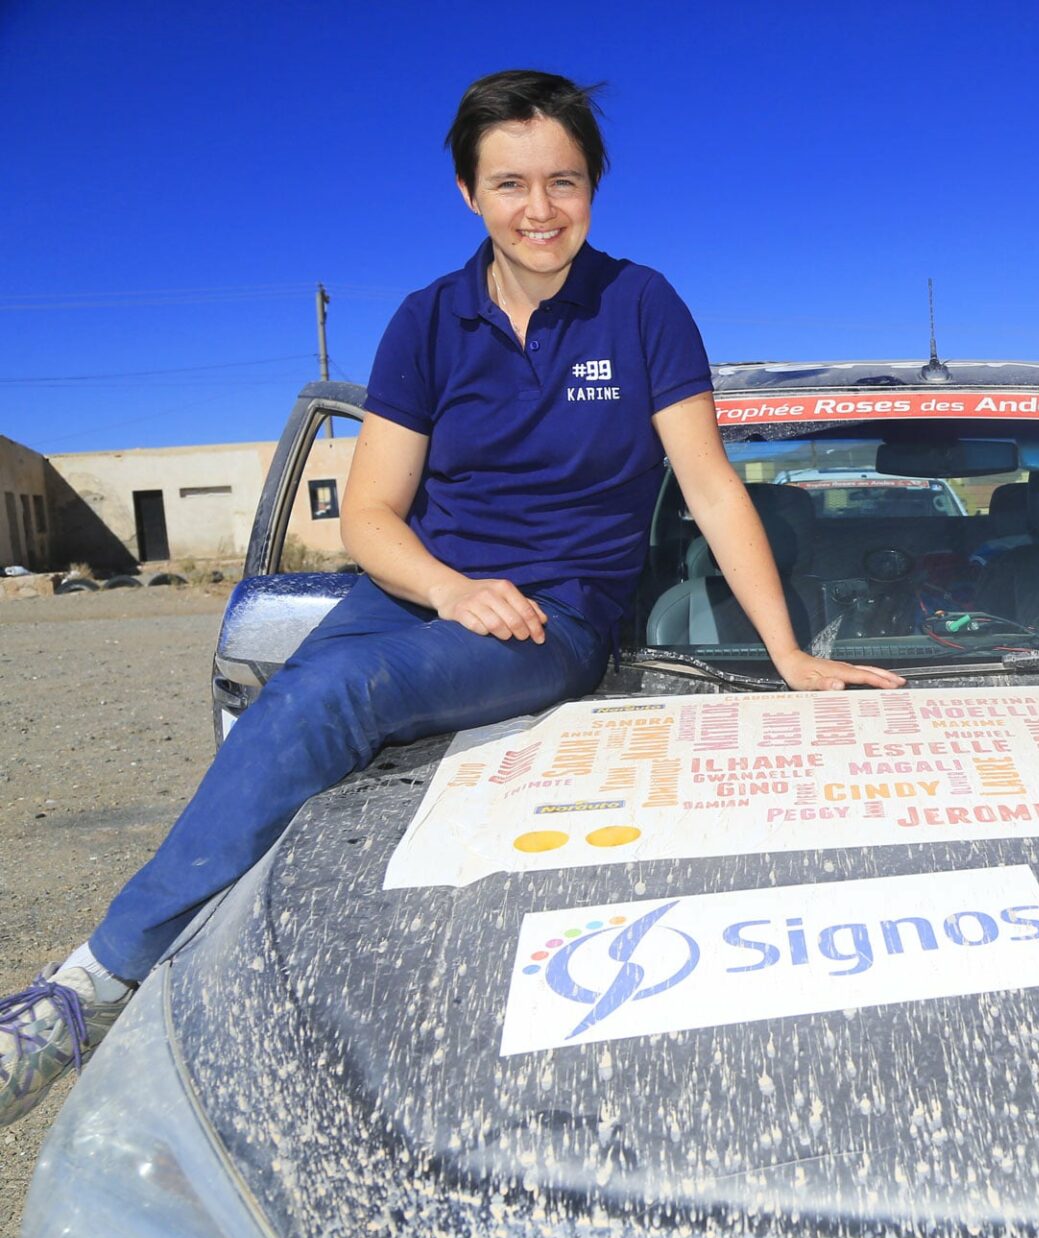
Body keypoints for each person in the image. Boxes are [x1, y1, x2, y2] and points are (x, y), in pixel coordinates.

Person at [0, 70, 905, 1125]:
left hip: (552, 613)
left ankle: (87, 992)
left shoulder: (641, 305)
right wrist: (449, 587)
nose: (540, 209)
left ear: (595, 186)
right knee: (291, 735)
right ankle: (184, 995)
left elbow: (709, 485)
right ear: (469, 193)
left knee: (332, 699)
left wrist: (787, 652)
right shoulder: (428, 321)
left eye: (564, 181)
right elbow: (369, 512)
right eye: (510, 183)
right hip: (418, 590)